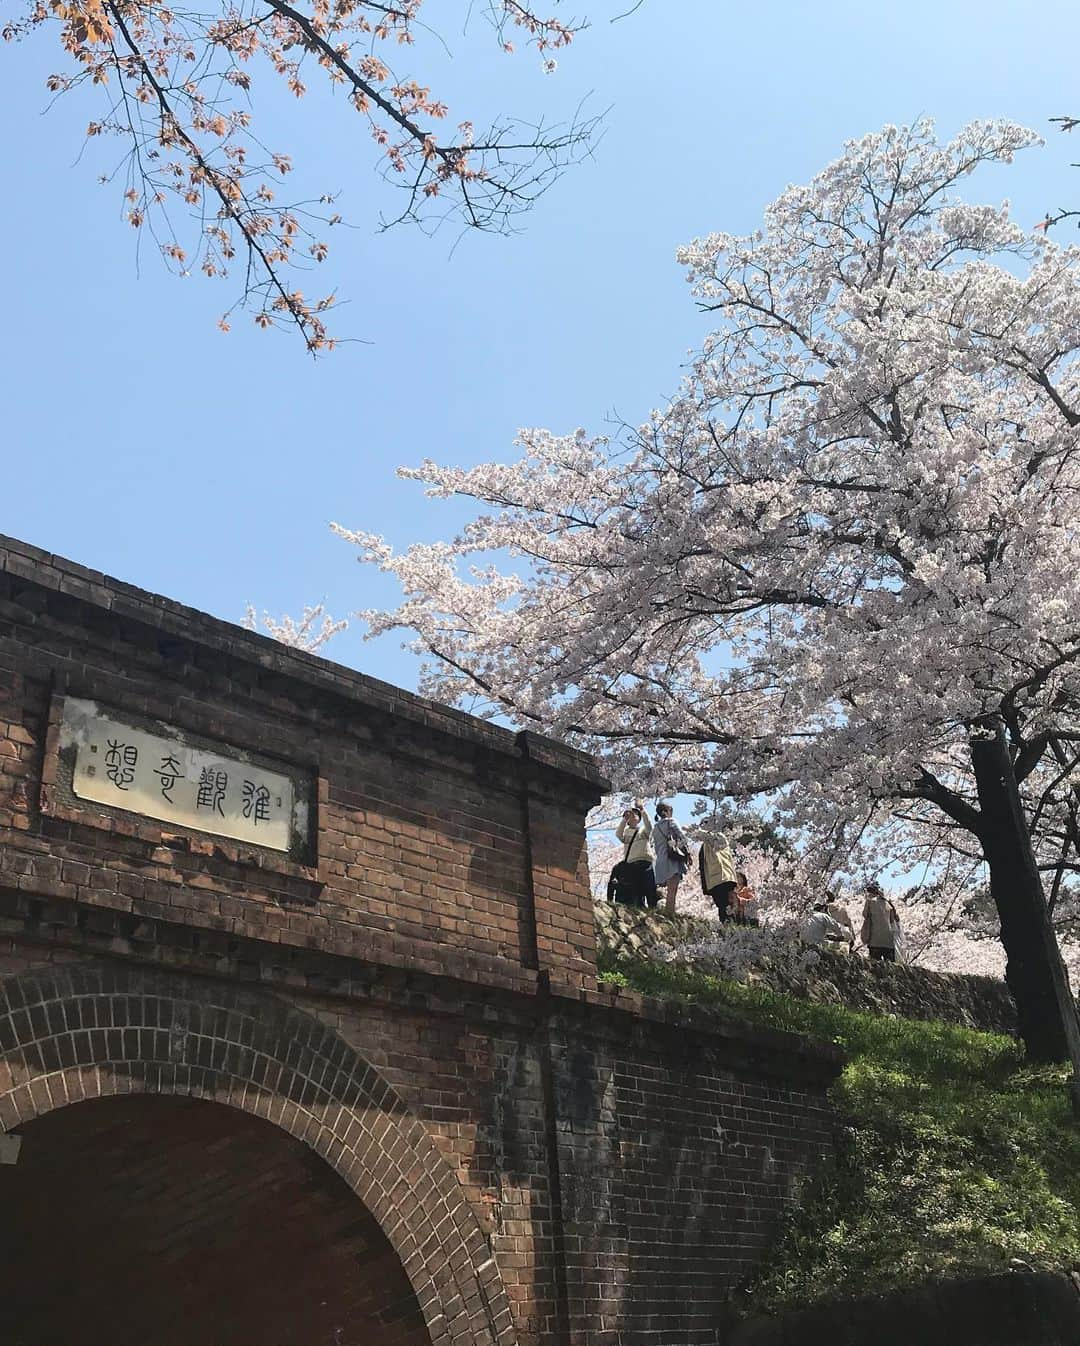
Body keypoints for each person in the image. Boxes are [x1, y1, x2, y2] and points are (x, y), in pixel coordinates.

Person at [613, 799, 660, 908]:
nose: (633, 816)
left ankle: (652, 908)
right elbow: (618, 834)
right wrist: (624, 820)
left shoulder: (643, 831)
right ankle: (640, 908)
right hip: (631, 864)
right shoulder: (626, 833)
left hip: (645, 862)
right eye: (631, 815)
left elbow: (649, 826)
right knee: (636, 889)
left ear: (639, 819)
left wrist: (642, 810)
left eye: (636, 815)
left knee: (649, 887)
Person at [653, 802, 691, 916]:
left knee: (669, 888)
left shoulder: (655, 828)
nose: (672, 813)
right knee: (672, 888)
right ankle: (670, 913)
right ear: (665, 812)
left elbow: (655, 846)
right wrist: (688, 853)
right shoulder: (671, 822)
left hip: (661, 860)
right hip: (672, 859)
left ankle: (667, 911)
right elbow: (682, 838)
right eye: (670, 810)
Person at [699, 831, 737, 922]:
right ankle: (732, 927)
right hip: (729, 877)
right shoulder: (723, 840)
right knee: (729, 905)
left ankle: (727, 928)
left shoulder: (707, 845)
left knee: (723, 905)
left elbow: (703, 867)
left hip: (716, 879)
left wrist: (705, 887)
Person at [860, 882, 901, 961]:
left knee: (875, 966)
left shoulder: (870, 901)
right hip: (889, 941)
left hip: (875, 940)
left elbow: (865, 915)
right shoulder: (887, 903)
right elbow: (892, 921)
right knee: (890, 967)